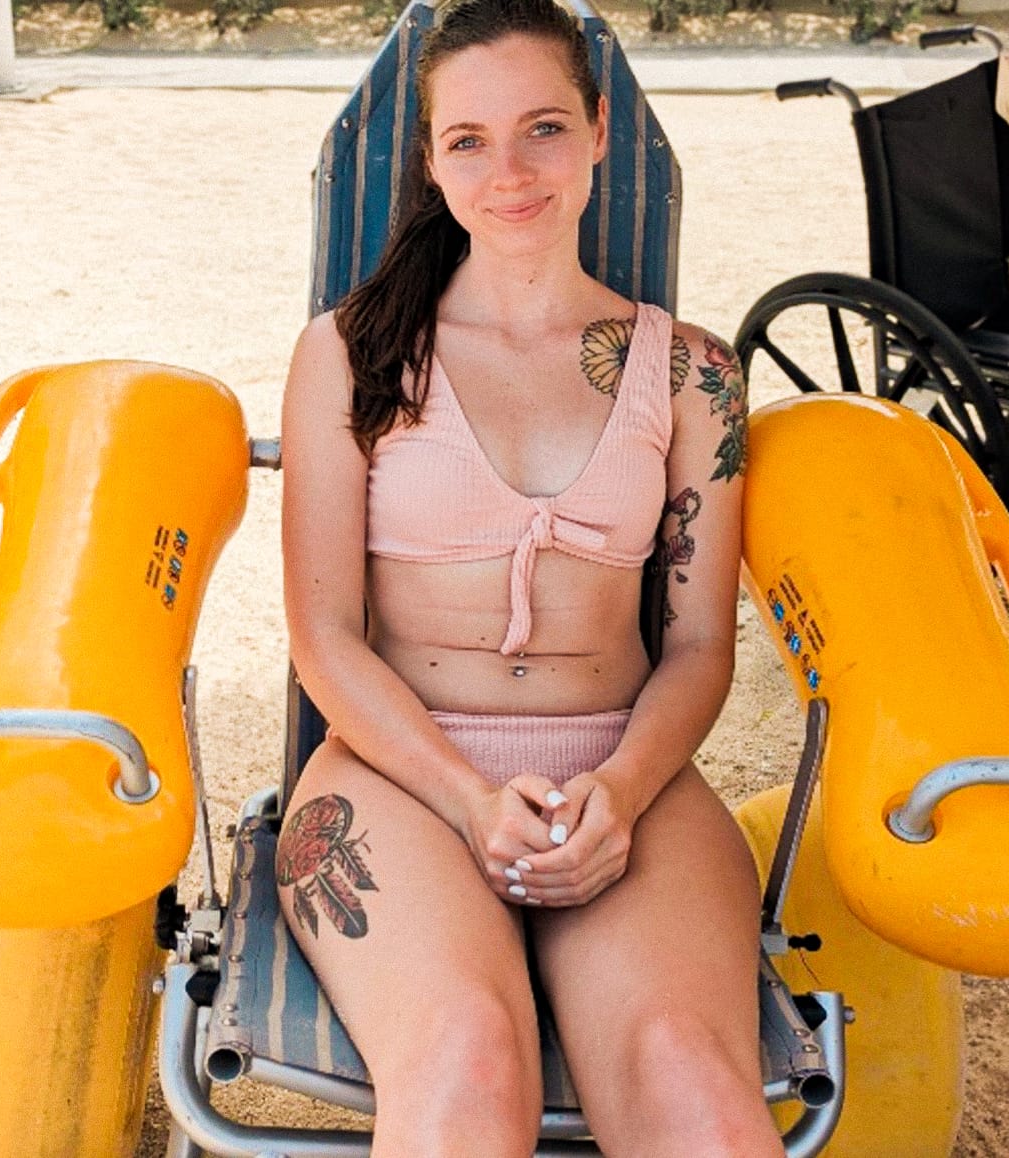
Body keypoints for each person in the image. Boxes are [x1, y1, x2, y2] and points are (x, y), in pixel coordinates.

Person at [276, 0, 781, 1152]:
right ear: (430, 160)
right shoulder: (353, 355)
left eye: (543, 127)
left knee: (692, 1083)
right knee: (464, 1053)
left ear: (601, 130)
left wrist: (623, 791)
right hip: (399, 787)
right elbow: (324, 637)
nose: (508, 171)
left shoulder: (694, 375)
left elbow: (701, 646)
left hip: (622, 778)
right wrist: (467, 797)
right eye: (468, 139)